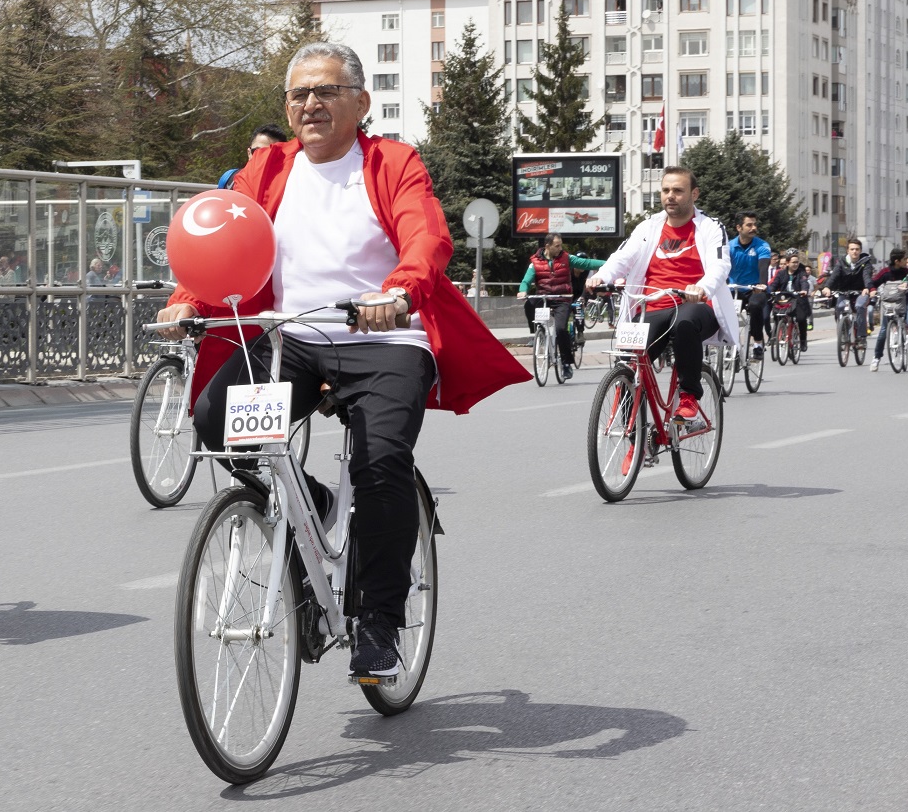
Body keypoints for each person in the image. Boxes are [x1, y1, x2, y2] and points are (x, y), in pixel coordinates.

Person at [156, 42, 528, 680]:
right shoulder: (268, 168)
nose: (310, 105)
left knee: (381, 464)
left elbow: (426, 234)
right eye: (298, 94)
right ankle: (319, 504)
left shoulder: (392, 163)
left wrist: (401, 292)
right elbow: (226, 239)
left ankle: (379, 622)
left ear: (360, 102)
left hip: (384, 340)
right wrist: (188, 300)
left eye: (325, 92)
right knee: (217, 419)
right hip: (292, 339)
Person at [586, 166, 734, 432]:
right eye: (666, 190)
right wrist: (602, 276)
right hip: (653, 306)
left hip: (696, 306)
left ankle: (688, 396)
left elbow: (719, 265)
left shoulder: (710, 227)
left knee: (684, 325)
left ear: (694, 194)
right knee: (629, 364)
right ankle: (635, 439)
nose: (670, 196)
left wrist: (701, 288)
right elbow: (622, 257)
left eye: (678, 191)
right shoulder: (648, 226)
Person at [516, 232, 603, 379]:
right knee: (529, 304)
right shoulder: (535, 262)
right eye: (557, 245)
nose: (560, 248)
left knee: (561, 329)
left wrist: (612, 264)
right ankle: (535, 331)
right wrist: (522, 291)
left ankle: (566, 363)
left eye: (561, 245)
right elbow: (526, 281)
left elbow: (587, 263)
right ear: (547, 246)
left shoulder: (567, 258)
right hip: (544, 297)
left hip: (562, 299)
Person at [727, 211, 773, 359]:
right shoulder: (729, 246)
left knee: (755, 306)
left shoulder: (762, 246)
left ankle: (758, 343)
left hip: (755, 290)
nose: (754, 227)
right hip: (734, 289)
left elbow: (763, 267)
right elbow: (723, 268)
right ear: (739, 228)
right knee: (718, 308)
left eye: (755, 224)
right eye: (749, 225)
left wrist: (762, 284)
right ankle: (725, 343)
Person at [869, 248, 908, 370]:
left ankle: (903, 347)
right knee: (883, 331)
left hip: (903, 304)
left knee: (907, 323)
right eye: (903, 259)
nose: (906, 262)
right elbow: (873, 282)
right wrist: (872, 290)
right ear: (897, 261)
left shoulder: (906, 272)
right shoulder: (885, 272)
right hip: (889, 306)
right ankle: (876, 358)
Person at [822, 237, 874, 337]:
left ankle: (861, 336)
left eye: (857, 249)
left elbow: (867, 276)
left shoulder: (865, 262)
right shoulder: (841, 262)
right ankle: (842, 330)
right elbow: (834, 276)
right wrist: (827, 287)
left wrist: (867, 288)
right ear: (848, 250)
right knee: (840, 306)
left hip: (860, 292)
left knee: (859, 306)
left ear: (860, 250)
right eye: (852, 249)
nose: (854, 251)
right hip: (844, 292)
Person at [217, 124, 288, 190]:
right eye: (258, 151)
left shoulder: (287, 187)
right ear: (249, 153)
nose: (264, 158)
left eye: (271, 154)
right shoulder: (229, 179)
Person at [768, 249, 814, 350]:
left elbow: (804, 282)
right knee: (777, 315)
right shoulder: (781, 273)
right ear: (787, 263)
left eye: (797, 262)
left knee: (801, 319)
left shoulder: (801, 273)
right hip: (784, 300)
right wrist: (769, 291)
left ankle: (803, 341)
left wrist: (804, 290)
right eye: (793, 262)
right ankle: (778, 334)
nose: (796, 264)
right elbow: (774, 284)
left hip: (798, 300)